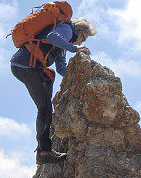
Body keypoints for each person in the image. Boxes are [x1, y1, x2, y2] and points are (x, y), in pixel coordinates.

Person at [11, 17, 97, 164]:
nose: (82, 43)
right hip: (25, 67)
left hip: (26, 66)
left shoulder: (63, 47)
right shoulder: (67, 30)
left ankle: (43, 147)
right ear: (80, 32)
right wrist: (75, 49)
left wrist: (81, 73)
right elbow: (52, 37)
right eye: (84, 39)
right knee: (44, 109)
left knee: (50, 75)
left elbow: (62, 69)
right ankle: (44, 151)